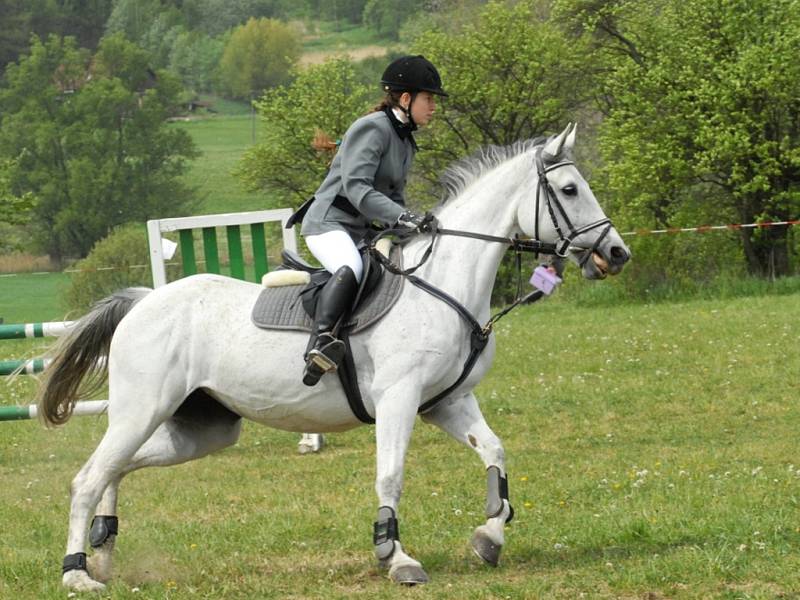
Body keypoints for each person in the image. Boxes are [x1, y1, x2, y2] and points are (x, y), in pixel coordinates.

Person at [289, 55, 448, 386]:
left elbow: (396, 198)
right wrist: (403, 216)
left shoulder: (405, 140)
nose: (433, 107)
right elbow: (358, 190)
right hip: (328, 223)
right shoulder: (372, 128)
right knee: (352, 267)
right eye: (429, 99)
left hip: (361, 230)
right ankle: (319, 344)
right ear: (406, 99)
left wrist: (414, 228)